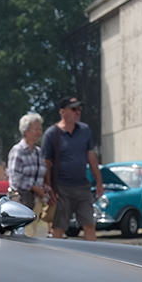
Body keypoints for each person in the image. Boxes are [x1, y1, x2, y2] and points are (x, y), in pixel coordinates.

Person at [41, 96, 103, 240]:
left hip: (83, 186)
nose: (78, 112)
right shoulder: (52, 133)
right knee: (59, 227)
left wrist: (99, 181)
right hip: (62, 188)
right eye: (74, 109)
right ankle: (55, 254)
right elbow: (46, 163)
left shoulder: (85, 130)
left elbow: (91, 157)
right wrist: (49, 187)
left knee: (89, 224)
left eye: (79, 109)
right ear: (62, 112)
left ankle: (91, 254)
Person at [6, 112, 49, 237]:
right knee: (23, 235)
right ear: (26, 131)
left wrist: (44, 188)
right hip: (21, 200)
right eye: (36, 129)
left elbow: (40, 175)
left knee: (32, 234)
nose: (39, 132)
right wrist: (35, 188)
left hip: (36, 201)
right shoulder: (17, 151)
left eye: (40, 129)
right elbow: (15, 179)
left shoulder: (38, 152)